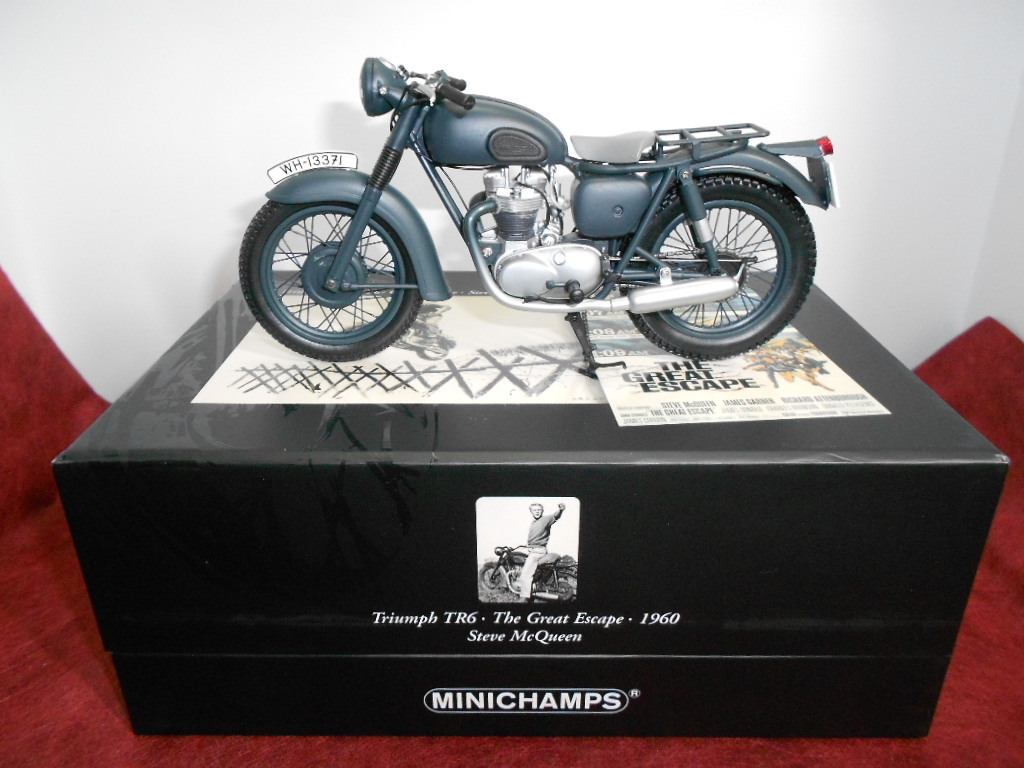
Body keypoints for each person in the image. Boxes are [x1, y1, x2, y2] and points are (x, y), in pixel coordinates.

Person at [519, 502, 564, 600]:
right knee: (534, 572)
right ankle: (534, 589)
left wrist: (560, 510)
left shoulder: (545, 519)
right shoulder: (534, 522)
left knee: (525, 575)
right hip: (533, 549)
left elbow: (555, 516)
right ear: (531, 511)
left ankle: (524, 598)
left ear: (542, 511)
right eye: (534, 510)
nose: (537, 512)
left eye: (539, 510)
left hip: (537, 551)